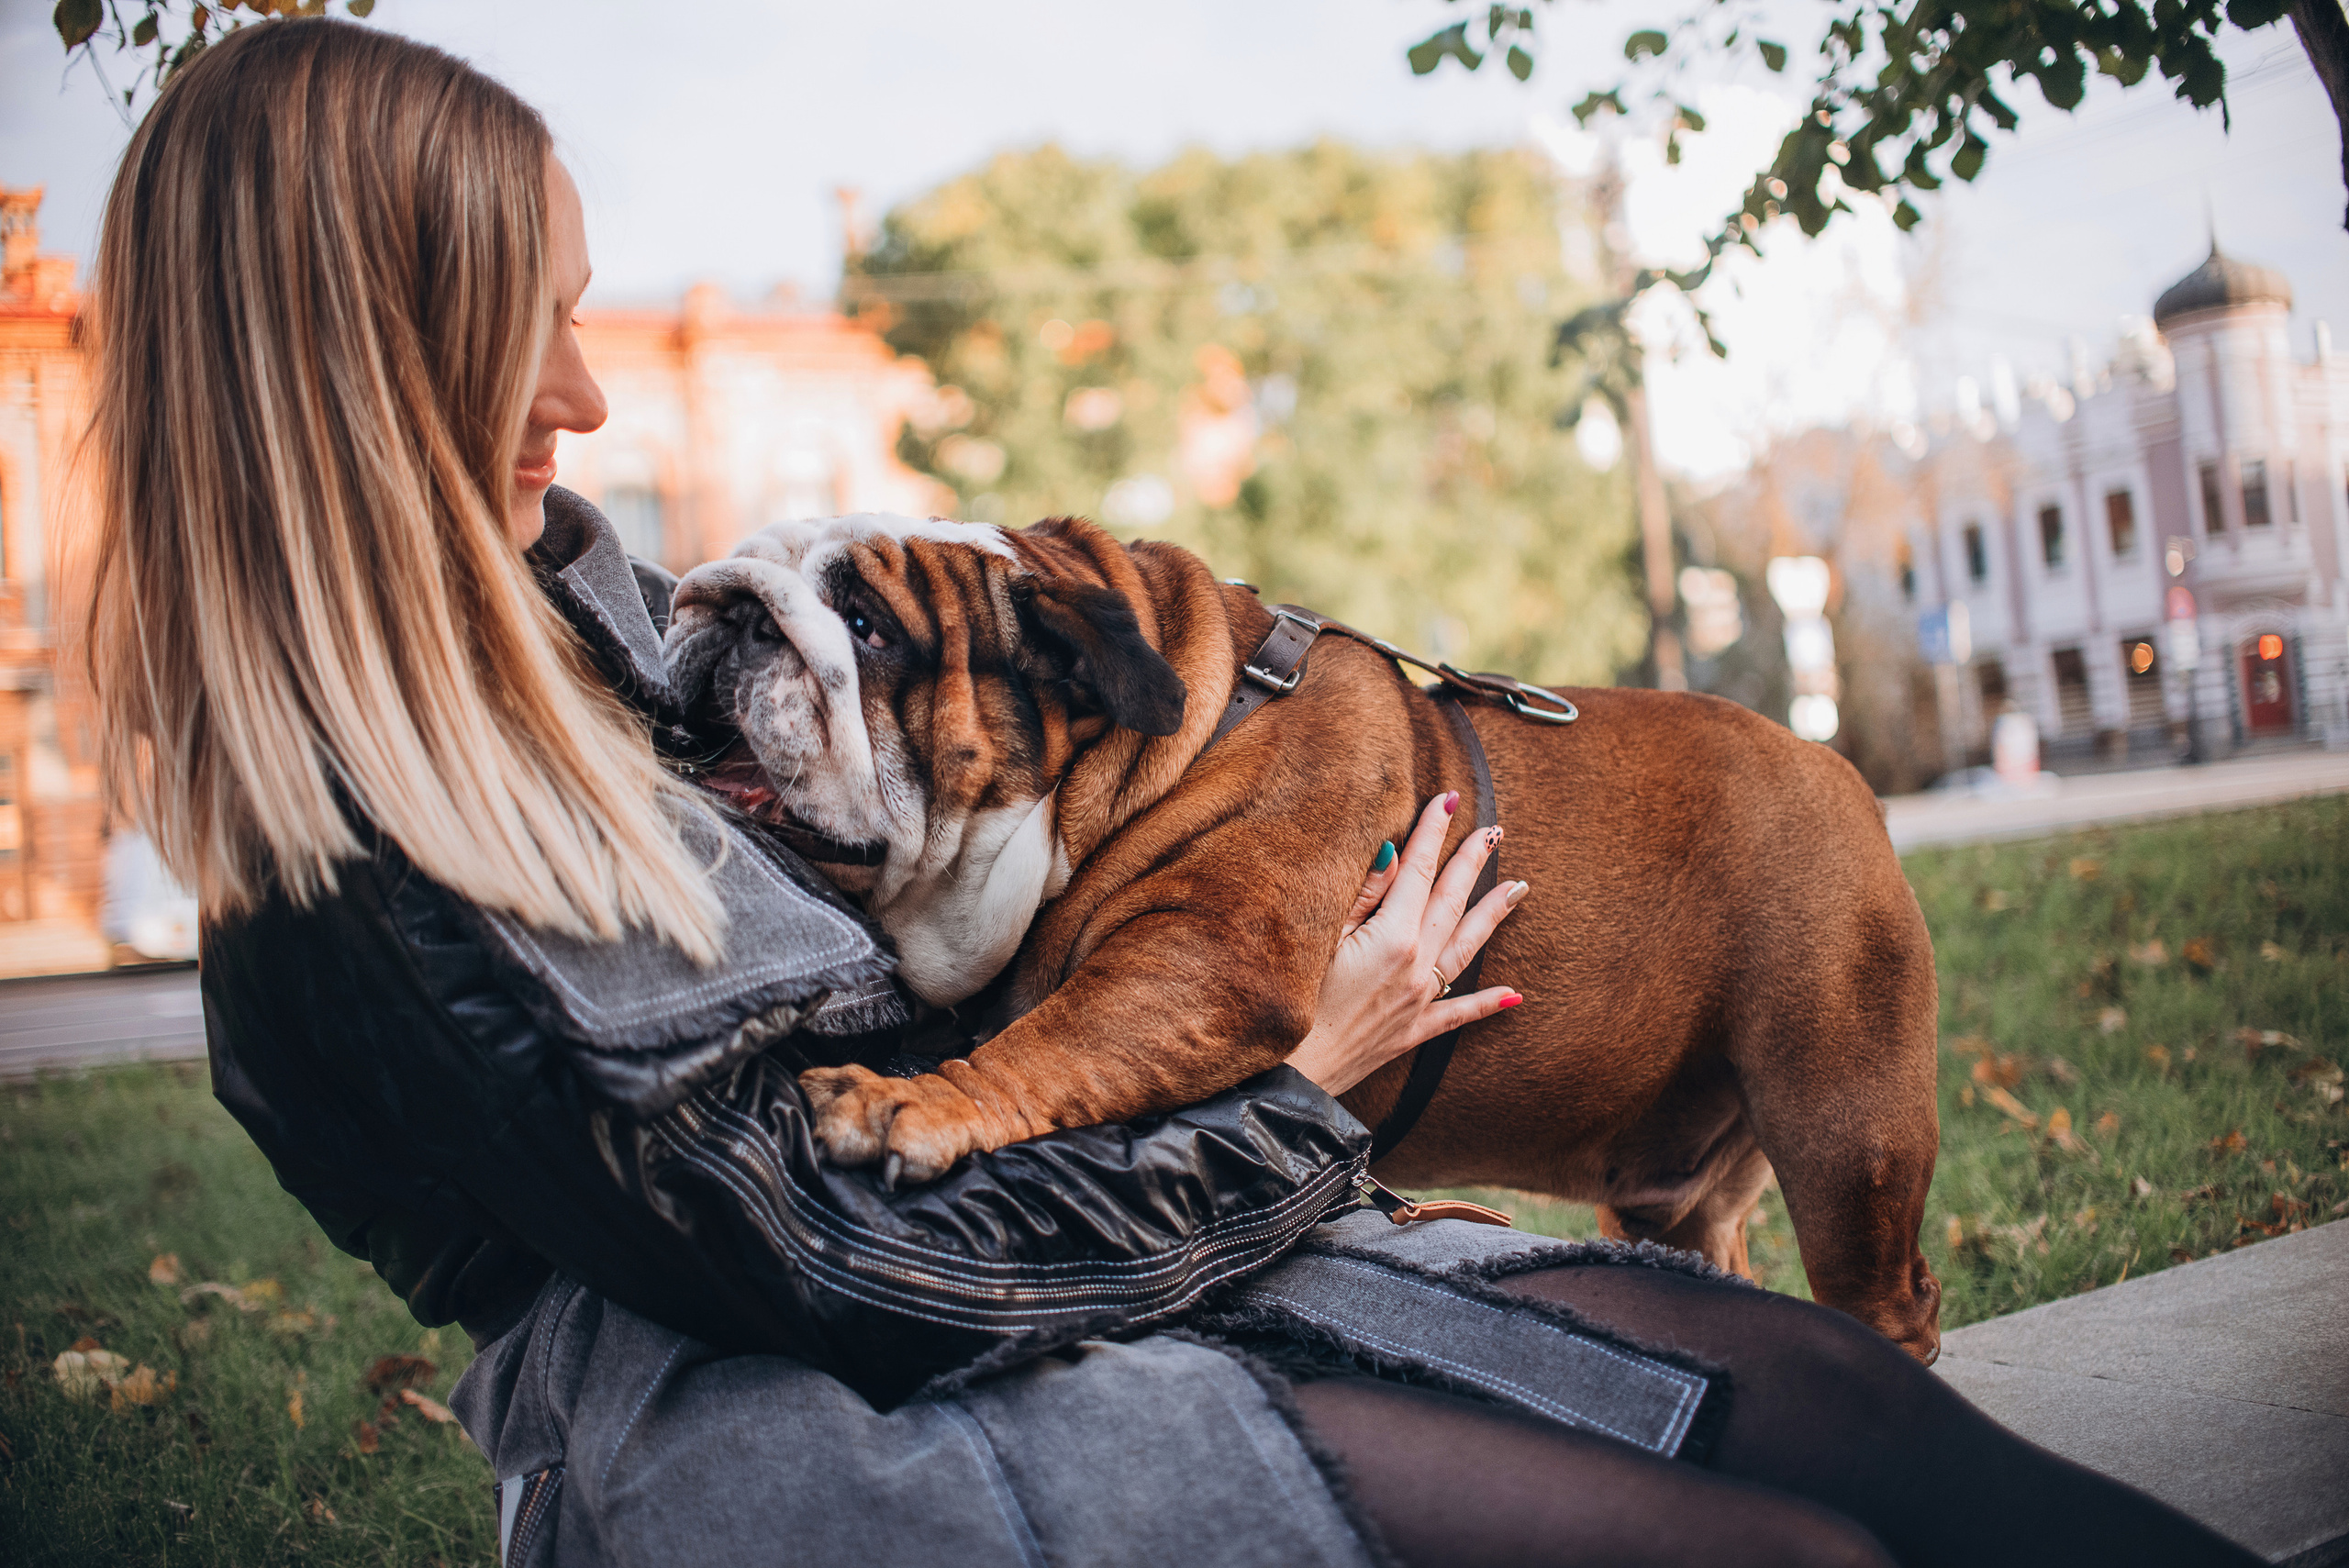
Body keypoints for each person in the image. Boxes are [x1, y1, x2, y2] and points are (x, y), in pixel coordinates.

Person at [81, 19, 2260, 1568]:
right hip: (829, 1427)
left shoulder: (618, 650)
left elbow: (973, 793)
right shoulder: (351, 887)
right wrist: (1302, 1085)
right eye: (514, 329)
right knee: (1763, 1549)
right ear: (356, 360)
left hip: (1122, 1241)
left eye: (576, 314)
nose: (577, 389)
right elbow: (853, 1274)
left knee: (1857, 1406)